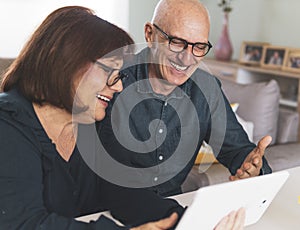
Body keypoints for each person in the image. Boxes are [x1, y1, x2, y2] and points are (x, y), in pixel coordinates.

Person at [0, 5, 246, 230]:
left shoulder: (83, 126)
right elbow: (23, 223)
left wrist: (183, 221)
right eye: (109, 72)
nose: (117, 87)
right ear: (64, 63)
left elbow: (118, 189)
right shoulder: (8, 124)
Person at [98, 0, 272, 199]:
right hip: (106, 212)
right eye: (177, 43)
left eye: (199, 47)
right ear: (149, 34)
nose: (187, 59)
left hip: (169, 208)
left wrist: (253, 167)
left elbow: (237, 149)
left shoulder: (207, 89)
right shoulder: (113, 79)